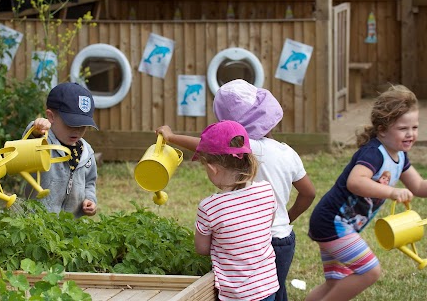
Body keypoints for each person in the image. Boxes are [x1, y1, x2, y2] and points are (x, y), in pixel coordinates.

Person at [156, 79, 315, 301]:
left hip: (246, 244)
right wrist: (286, 218)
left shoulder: (246, 149)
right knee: (273, 290)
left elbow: (203, 145)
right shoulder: (287, 152)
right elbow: (309, 193)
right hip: (282, 239)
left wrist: (171, 137)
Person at [306, 84, 427, 301]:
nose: (411, 134)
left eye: (415, 127)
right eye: (403, 128)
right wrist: (391, 191)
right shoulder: (374, 153)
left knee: (336, 284)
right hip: (332, 221)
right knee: (370, 271)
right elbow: (355, 182)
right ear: (382, 129)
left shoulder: (400, 156)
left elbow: (418, 186)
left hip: (336, 223)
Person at [193, 120, 279, 301]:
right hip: (268, 286)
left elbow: (201, 248)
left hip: (236, 294)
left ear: (212, 168)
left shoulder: (209, 207)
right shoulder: (267, 190)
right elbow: (265, 227)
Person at [23, 82, 98, 218]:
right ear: (51, 117)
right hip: (37, 222)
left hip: (71, 224)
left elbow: (90, 182)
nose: (77, 130)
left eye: (82, 126)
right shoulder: (43, 141)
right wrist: (36, 131)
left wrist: (90, 199)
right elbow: (25, 151)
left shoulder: (86, 152)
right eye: (71, 123)